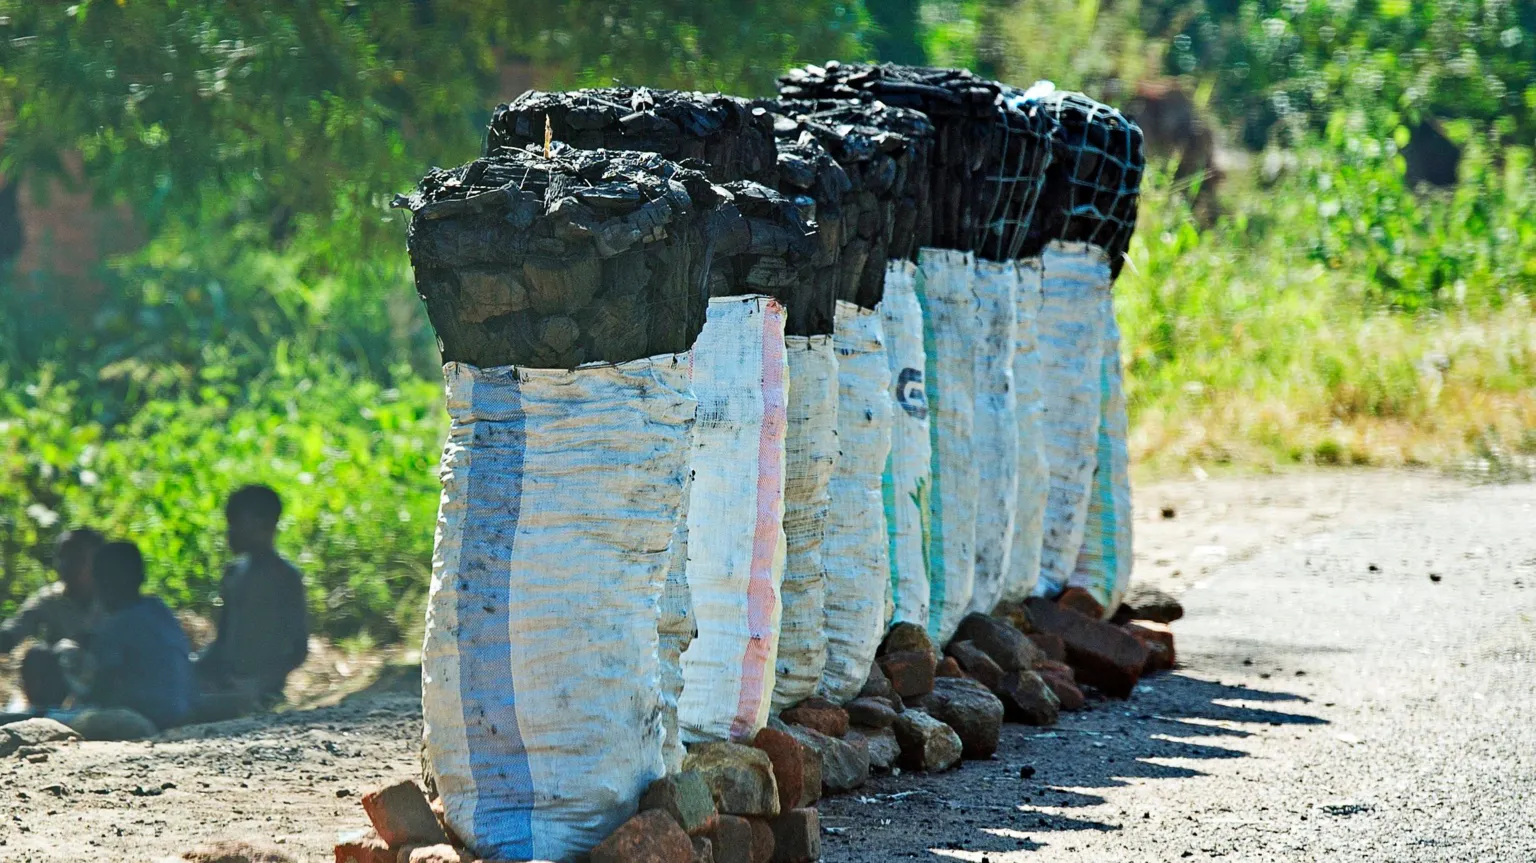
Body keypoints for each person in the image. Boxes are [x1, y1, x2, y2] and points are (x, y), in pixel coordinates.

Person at [193, 485, 308, 716]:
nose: (230, 533)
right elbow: (222, 640)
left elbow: (299, 649)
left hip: (260, 694)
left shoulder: (285, 577)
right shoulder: (233, 573)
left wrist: (259, 684)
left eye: (237, 524)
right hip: (224, 684)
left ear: (265, 523)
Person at [84, 541, 192, 730]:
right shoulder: (160, 610)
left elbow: (102, 687)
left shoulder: (118, 624)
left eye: (99, 578)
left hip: (146, 719)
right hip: (182, 714)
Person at [1, 528, 104, 714]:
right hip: (62, 687)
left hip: (106, 682)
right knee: (37, 654)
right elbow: (13, 632)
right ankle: (46, 711)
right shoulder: (49, 599)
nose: (66, 566)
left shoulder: (116, 601)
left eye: (77, 558)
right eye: (62, 558)